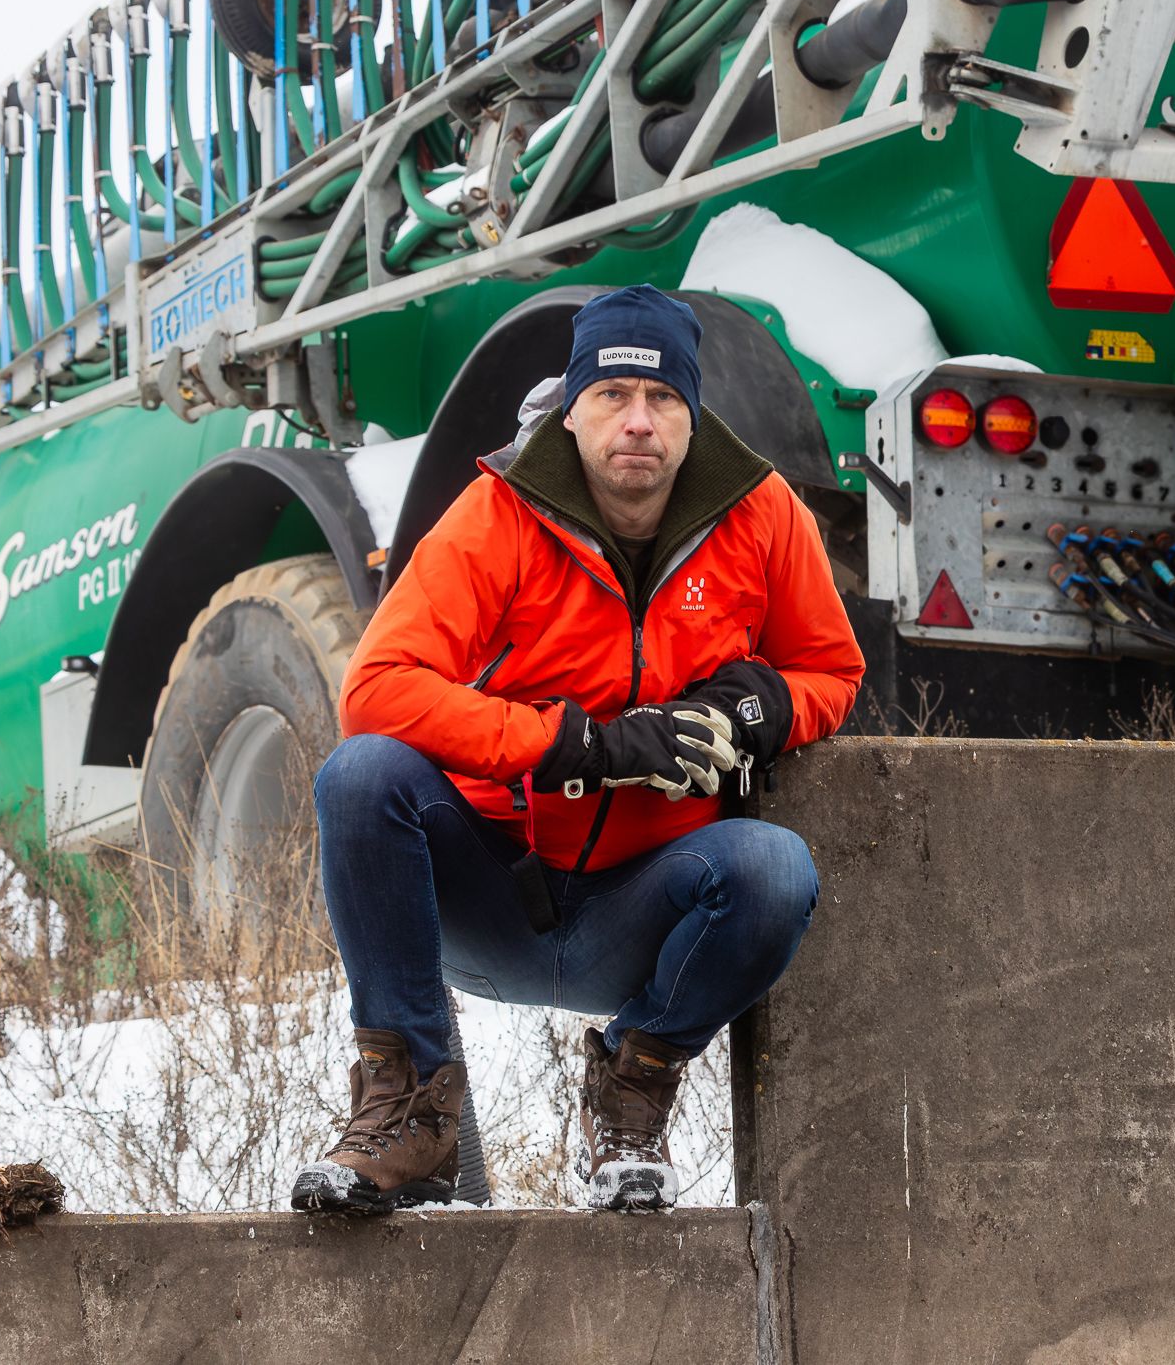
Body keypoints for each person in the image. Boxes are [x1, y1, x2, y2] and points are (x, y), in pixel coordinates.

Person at [292, 285, 863, 1214]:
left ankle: (630, 1092)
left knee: (772, 867)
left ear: (692, 411)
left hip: (642, 912)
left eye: (664, 400)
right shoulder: (500, 511)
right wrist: (571, 743)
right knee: (362, 774)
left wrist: (758, 707)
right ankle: (412, 1110)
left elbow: (832, 672)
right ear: (572, 405)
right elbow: (377, 686)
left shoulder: (763, 513)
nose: (638, 422)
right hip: (492, 894)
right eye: (612, 396)